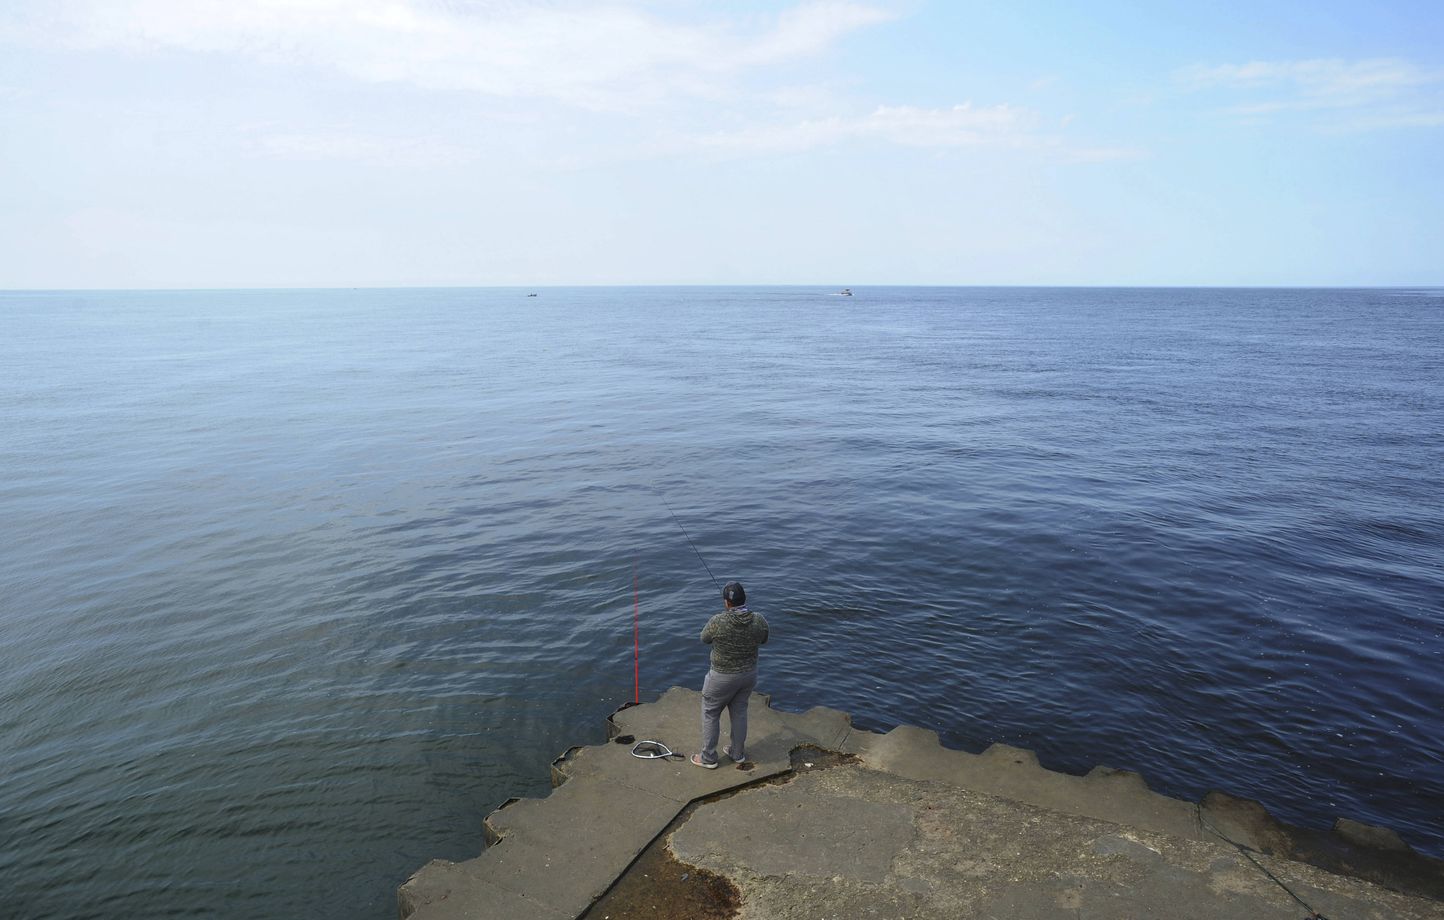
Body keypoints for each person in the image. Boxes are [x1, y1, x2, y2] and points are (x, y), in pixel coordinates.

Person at [692, 581, 769, 769]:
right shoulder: (759, 620)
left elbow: (704, 638)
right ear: (745, 599)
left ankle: (709, 758)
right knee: (740, 712)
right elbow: (764, 639)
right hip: (748, 675)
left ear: (727, 603)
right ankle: (737, 753)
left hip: (721, 677)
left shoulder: (718, 621)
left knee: (710, 713)